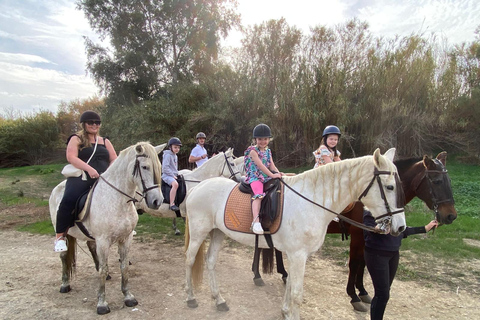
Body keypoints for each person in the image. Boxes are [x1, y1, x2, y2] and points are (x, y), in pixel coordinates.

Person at [54, 110, 117, 252]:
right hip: (82, 177)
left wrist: (109, 172)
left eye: (97, 123)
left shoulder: (105, 141)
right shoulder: (76, 139)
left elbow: (114, 158)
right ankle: (60, 238)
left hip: (103, 178)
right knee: (69, 199)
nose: (94, 125)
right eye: (91, 122)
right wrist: (89, 169)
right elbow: (71, 157)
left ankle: (125, 228)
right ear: (84, 124)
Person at [363, 211, 438, 320]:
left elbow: (403, 230)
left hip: (393, 254)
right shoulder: (372, 208)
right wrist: (377, 229)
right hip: (376, 254)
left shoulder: (396, 209)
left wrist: (425, 228)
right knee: (382, 294)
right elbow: (367, 228)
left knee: (384, 292)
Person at [244, 124, 284, 235]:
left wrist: (278, 173)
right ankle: (255, 221)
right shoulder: (252, 151)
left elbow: (271, 165)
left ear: (269, 139)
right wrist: (272, 175)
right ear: (255, 139)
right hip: (255, 176)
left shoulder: (268, 151)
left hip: (266, 175)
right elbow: (261, 166)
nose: (263, 141)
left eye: (265, 139)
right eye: (260, 139)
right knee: (259, 194)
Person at [162, 137, 182, 211]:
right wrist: (172, 175)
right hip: (166, 175)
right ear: (170, 147)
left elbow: (174, 168)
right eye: (175, 147)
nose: (177, 149)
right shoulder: (168, 155)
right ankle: (171, 204)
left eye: (178, 147)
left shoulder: (175, 155)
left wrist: (177, 174)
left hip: (173, 175)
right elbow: (165, 168)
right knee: (175, 184)